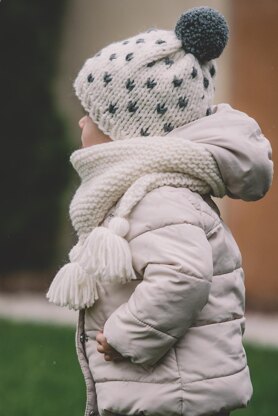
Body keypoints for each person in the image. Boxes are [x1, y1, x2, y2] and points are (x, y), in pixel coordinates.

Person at [47, 7, 273, 416]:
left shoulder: (158, 196)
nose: (82, 121)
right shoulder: (150, 188)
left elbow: (184, 276)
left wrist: (125, 334)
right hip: (169, 388)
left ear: (128, 131)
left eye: (94, 114)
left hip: (173, 395)